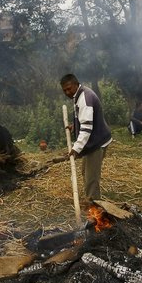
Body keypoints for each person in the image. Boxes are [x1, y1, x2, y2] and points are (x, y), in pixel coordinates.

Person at [61, 74, 112, 203]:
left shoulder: (85, 98)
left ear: (76, 84)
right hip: (93, 140)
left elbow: (87, 128)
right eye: (64, 90)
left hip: (96, 142)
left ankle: (95, 209)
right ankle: (91, 200)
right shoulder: (78, 95)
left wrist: (76, 148)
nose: (67, 92)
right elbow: (84, 118)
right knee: (86, 172)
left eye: (69, 88)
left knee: (91, 178)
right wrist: (75, 125)